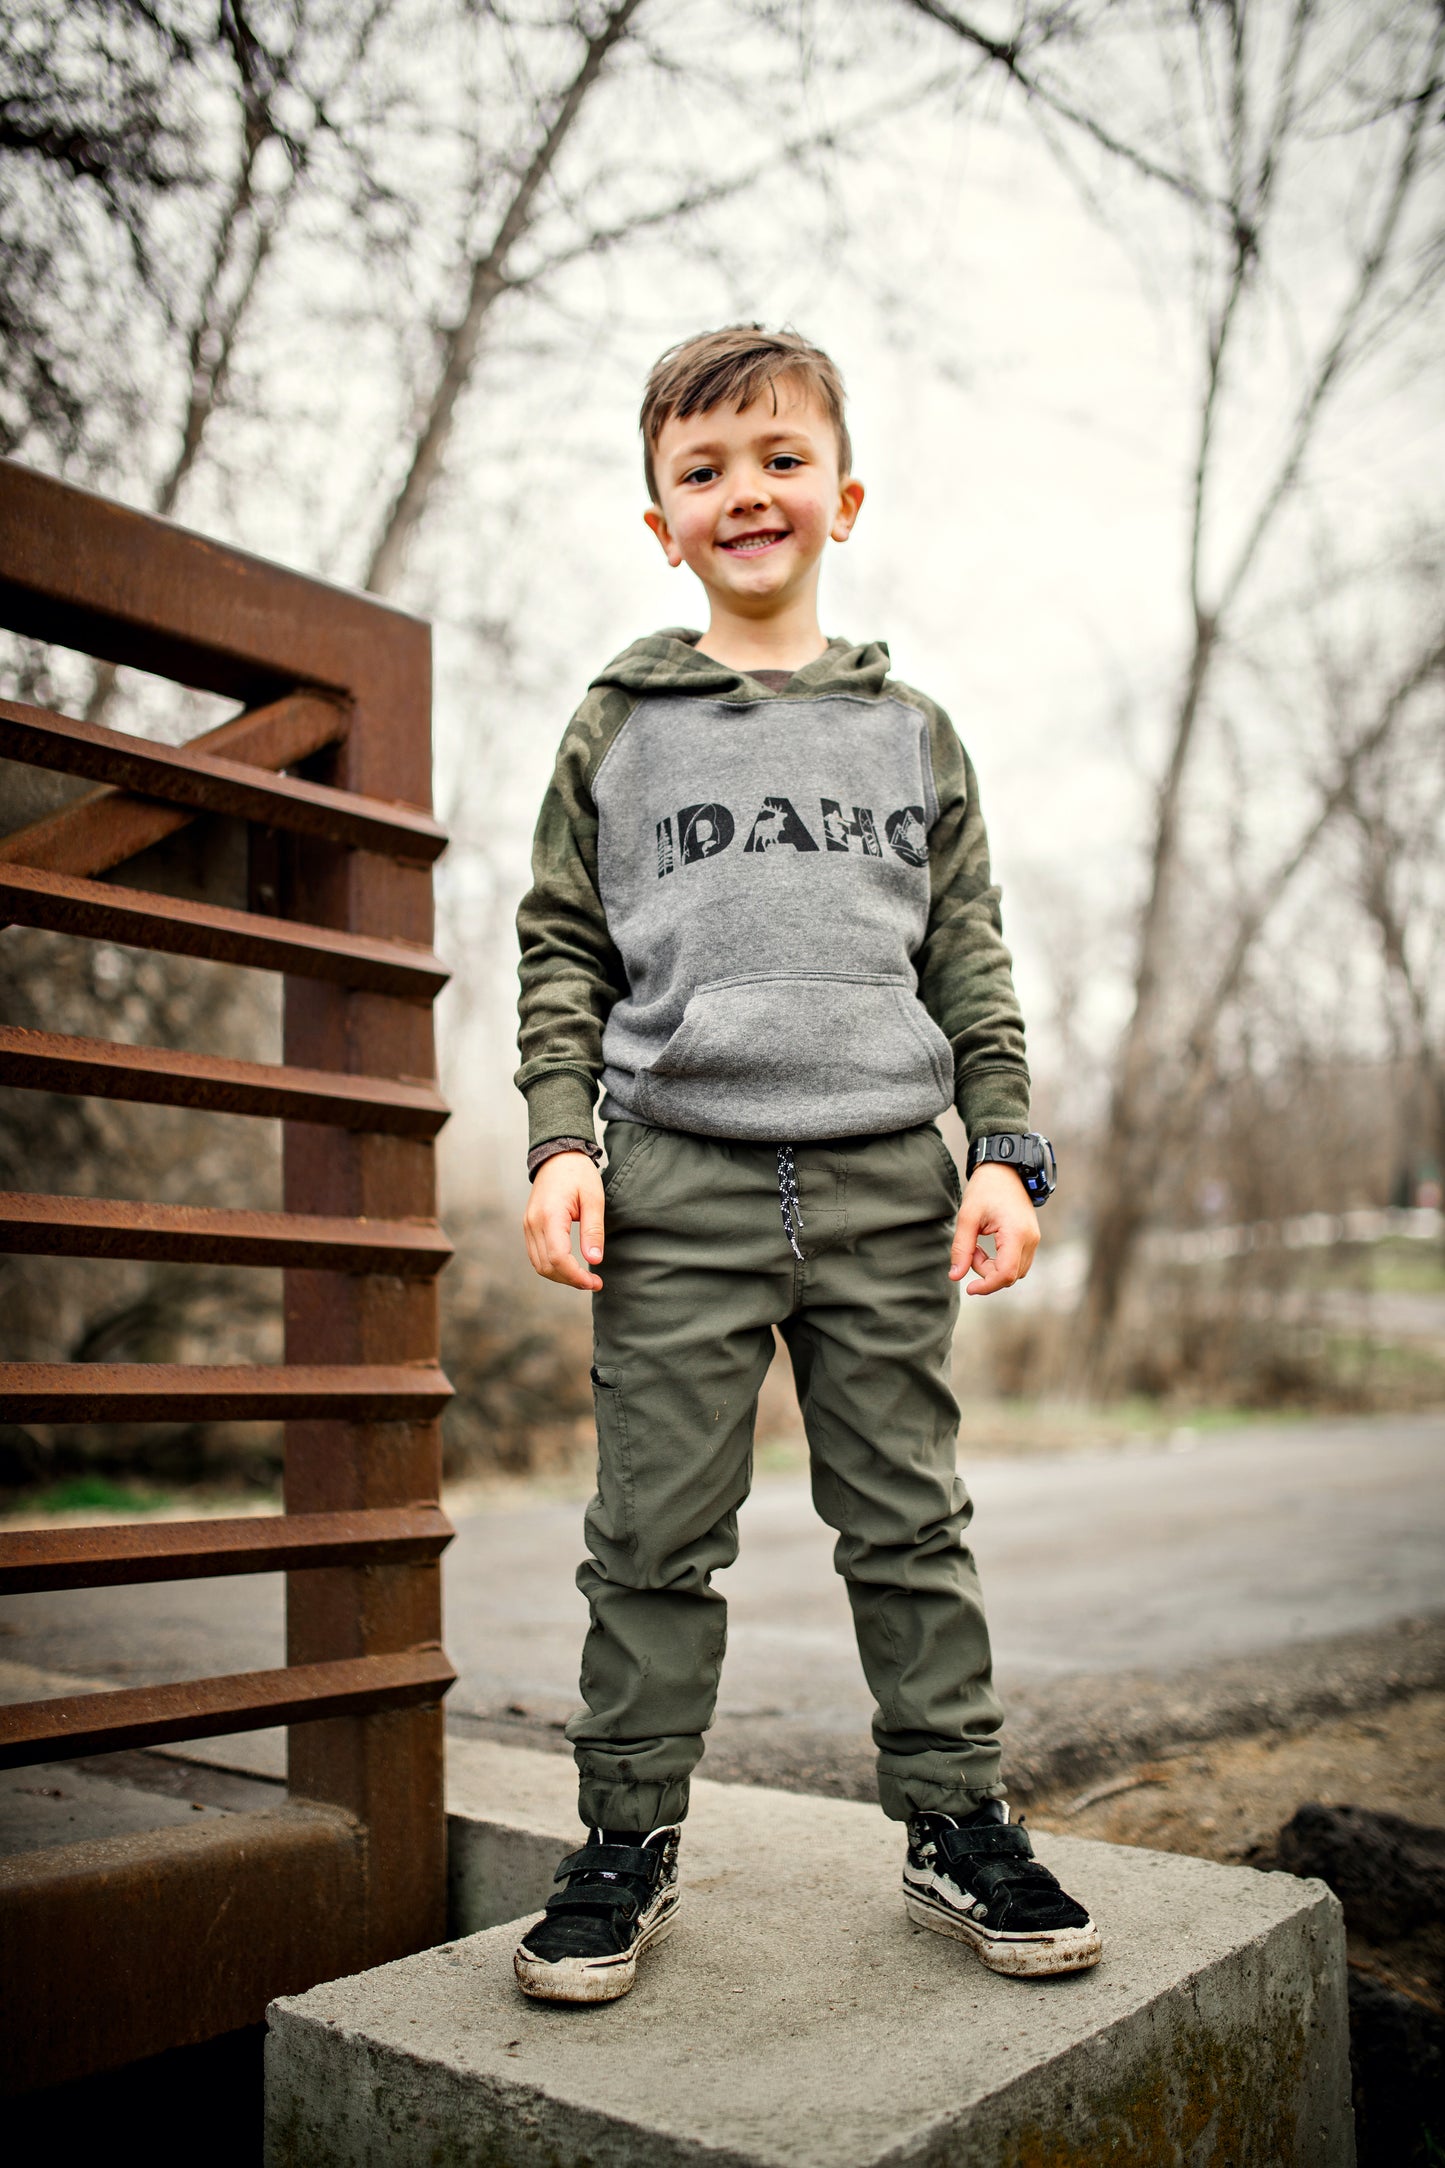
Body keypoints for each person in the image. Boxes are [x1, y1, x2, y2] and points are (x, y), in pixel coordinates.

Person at [511, 324, 1100, 2004]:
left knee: (909, 1523)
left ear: (841, 497)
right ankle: (624, 1841)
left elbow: (966, 950)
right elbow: (562, 945)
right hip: (675, 1180)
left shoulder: (910, 731)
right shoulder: (617, 725)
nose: (745, 492)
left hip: (884, 1180)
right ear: (661, 524)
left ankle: (955, 1822)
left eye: (779, 459)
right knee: (651, 1538)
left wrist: (1001, 1149)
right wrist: (558, 1137)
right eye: (702, 471)